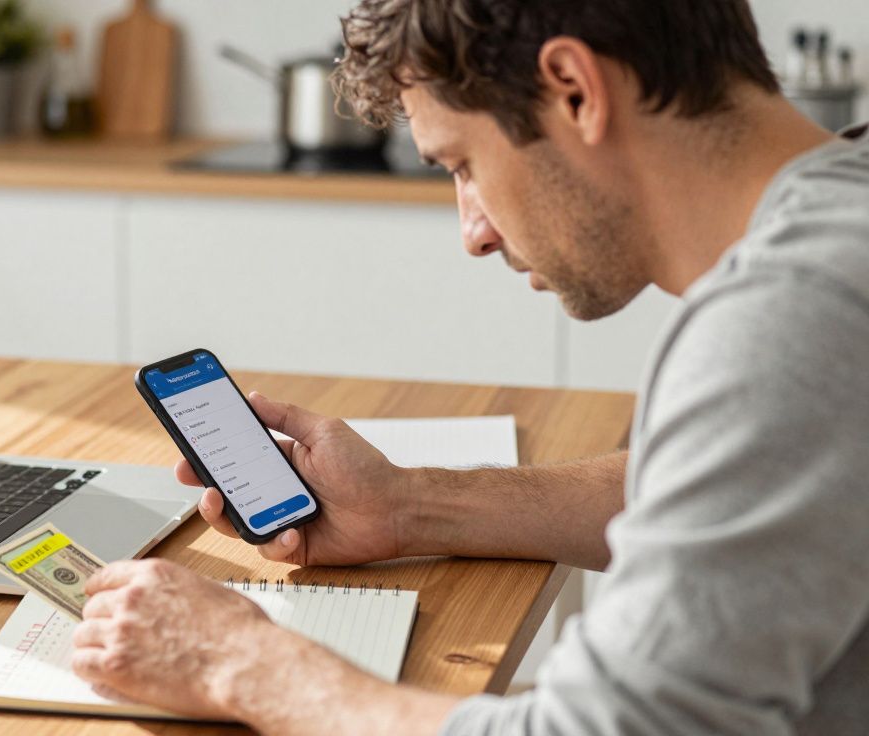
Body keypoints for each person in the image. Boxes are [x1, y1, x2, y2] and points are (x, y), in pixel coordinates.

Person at [70, 0, 869, 733]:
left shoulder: (792, 312)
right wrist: (411, 507)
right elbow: (742, 486)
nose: (473, 233)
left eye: (461, 164)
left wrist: (242, 662)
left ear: (574, 90)